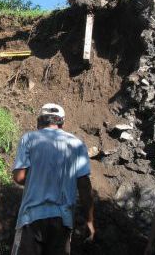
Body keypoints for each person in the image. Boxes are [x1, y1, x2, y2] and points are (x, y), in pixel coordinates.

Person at [11, 103, 94, 255]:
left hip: (31, 218)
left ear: (39, 121)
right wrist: (89, 221)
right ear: (62, 123)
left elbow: (19, 176)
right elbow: (84, 186)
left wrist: (37, 178)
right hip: (62, 220)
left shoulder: (29, 138)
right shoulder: (77, 144)